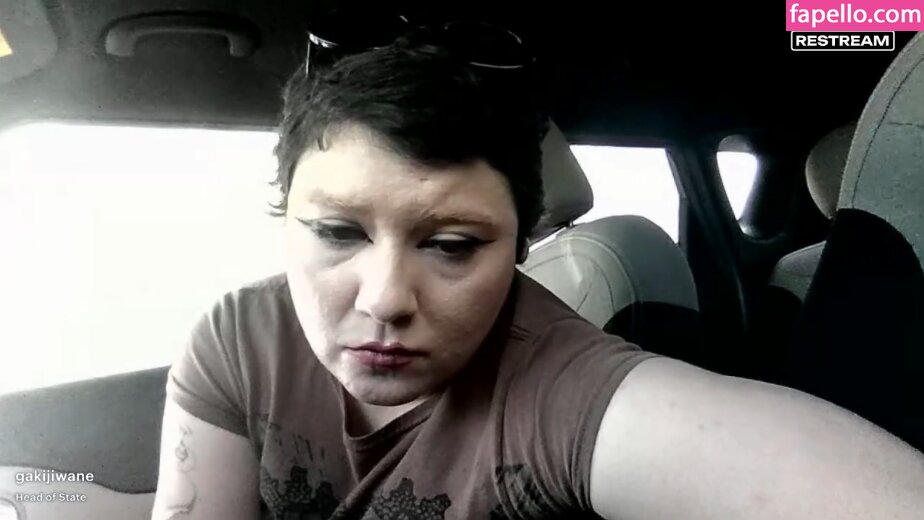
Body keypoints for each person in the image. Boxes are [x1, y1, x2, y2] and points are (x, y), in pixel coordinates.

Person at [151, 27, 924, 520]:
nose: (384, 299)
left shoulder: (561, 388)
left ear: (521, 246)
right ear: (285, 218)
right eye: (336, 232)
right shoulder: (238, 338)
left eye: (452, 245)